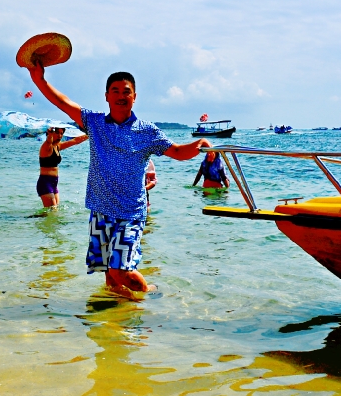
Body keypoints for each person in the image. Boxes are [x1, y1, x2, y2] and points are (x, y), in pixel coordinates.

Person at [27, 63, 210, 293]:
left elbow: (177, 152)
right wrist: (39, 80)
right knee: (110, 280)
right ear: (106, 96)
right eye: (115, 91)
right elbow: (63, 103)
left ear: (134, 97)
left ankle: (148, 294)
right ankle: (119, 321)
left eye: (126, 91)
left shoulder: (147, 131)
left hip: (130, 213)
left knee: (120, 271)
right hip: (100, 210)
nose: (121, 96)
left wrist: (200, 144)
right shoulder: (95, 124)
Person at [36, 126, 87, 208]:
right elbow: (49, 141)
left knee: (54, 210)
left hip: (54, 183)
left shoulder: (57, 146)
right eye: (57, 133)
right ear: (52, 133)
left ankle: (35, 218)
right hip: (45, 183)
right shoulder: (46, 147)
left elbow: (75, 141)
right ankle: (30, 218)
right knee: (52, 210)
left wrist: (90, 135)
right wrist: (50, 135)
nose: (60, 136)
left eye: (61, 133)